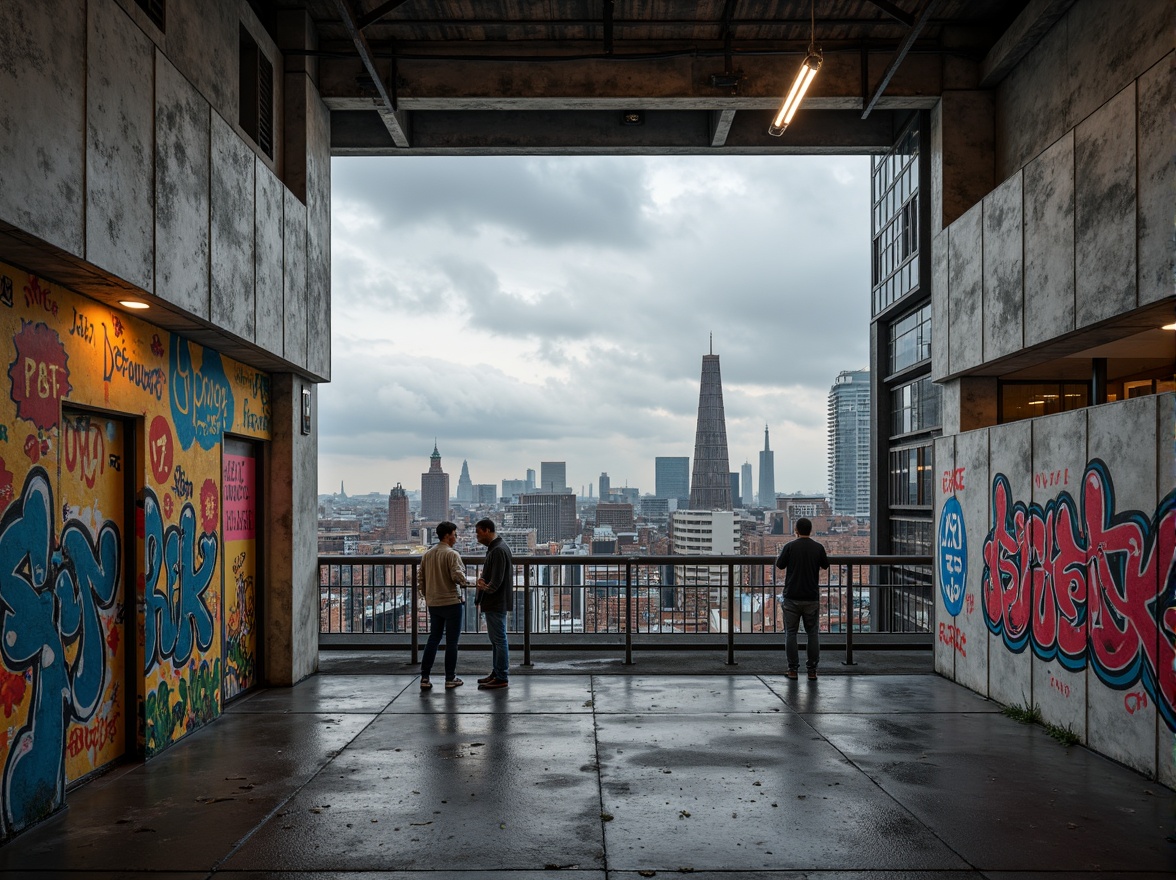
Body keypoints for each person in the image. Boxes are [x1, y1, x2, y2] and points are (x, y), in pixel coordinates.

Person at [774, 517, 829, 681]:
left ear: (796, 530)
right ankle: (812, 671)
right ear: (810, 530)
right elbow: (825, 565)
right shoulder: (818, 547)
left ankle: (793, 670)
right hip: (811, 596)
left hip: (792, 596)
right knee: (813, 634)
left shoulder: (790, 547)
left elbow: (780, 565)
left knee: (791, 633)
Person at [418, 521, 469, 690]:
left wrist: (427, 596)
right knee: (452, 642)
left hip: (434, 602)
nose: (456, 537)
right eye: (454, 534)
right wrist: (468, 582)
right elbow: (457, 576)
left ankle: (425, 677)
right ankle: (450, 677)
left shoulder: (428, 554)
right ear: (447, 535)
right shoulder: (452, 554)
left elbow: (421, 579)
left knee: (433, 638)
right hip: (451, 602)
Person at [474, 517, 513, 689]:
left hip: (496, 601)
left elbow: (496, 582)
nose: (477, 536)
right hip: (497, 601)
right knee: (497, 640)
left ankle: (502, 675)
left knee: (499, 639)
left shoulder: (497, 550)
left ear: (487, 530)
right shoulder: (497, 547)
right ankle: (497, 672)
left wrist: (484, 586)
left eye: (478, 532)